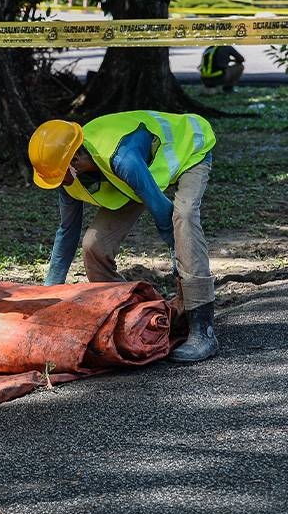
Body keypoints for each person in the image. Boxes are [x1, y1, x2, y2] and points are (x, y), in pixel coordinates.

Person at [28, 111, 219, 363]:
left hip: (189, 148)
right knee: (94, 245)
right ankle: (125, 314)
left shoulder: (122, 158)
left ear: (74, 160)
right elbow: (67, 232)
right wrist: (47, 294)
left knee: (183, 217)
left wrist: (180, 270)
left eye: (58, 175)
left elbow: (163, 215)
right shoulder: (69, 177)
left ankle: (201, 327)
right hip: (133, 177)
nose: (57, 183)